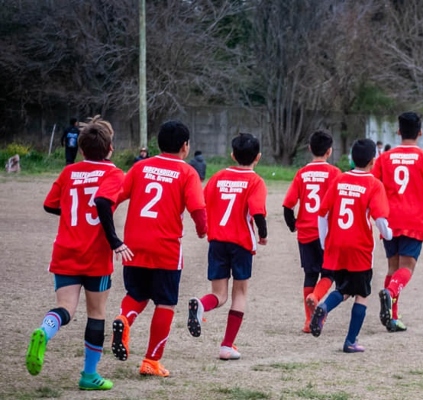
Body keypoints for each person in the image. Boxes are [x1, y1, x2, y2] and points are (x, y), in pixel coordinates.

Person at [26, 115, 130, 390]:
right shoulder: (113, 174)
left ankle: (45, 330)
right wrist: (115, 241)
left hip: (65, 251)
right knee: (96, 313)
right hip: (95, 255)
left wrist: (75, 214)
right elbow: (102, 203)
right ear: (110, 149)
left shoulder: (68, 171)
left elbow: (50, 205)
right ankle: (89, 376)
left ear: (81, 149)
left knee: (65, 308)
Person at [111, 120, 207, 377]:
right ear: (185, 146)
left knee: (136, 294)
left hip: (134, 246)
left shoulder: (140, 167)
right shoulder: (188, 173)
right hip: (165, 249)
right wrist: (202, 230)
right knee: (165, 302)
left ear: (158, 143)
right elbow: (198, 209)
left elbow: (114, 197)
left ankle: (124, 319)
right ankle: (151, 361)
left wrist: (109, 231)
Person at [187, 133, 267, 361]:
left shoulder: (218, 177)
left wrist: (203, 229)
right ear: (258, 157)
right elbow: (258, 210)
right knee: (239, 293)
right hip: (240, 243)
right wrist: (263, 234)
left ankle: (201, 305)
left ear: (232, 155)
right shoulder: (255, 181)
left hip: (217, 241)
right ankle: (226, 346)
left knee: (218, 295)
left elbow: (201, 205)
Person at [309, 139, 392, 353]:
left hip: (336, 243)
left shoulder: (339, 180)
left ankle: (325, 307)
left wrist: (324, 240)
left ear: (351, 158)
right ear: (373, 160)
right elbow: (380, 218)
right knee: (362, 293)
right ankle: (351, 340)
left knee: (344, 288)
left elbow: (322, 213)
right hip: (359, 247)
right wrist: (388, 234)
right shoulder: (374, 184)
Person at [372, 112, 423, 332]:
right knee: (407, 267)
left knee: (392, 266)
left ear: (398, 131)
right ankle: (390, 294)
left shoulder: (385, 157)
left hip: (389, 218)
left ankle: (392, 316)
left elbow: (374, 185)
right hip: (413, 218)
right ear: (420, 132)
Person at [282, 130, 341, 333]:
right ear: (329, 151)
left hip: (305, 232)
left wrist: (293, 225)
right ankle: (316, 297)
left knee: (310, 273)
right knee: (329, 273)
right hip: (327, 233)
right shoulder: (334, 173)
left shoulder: (302, 173)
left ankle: (308, 322)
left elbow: (288, 205)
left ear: (309, 149)